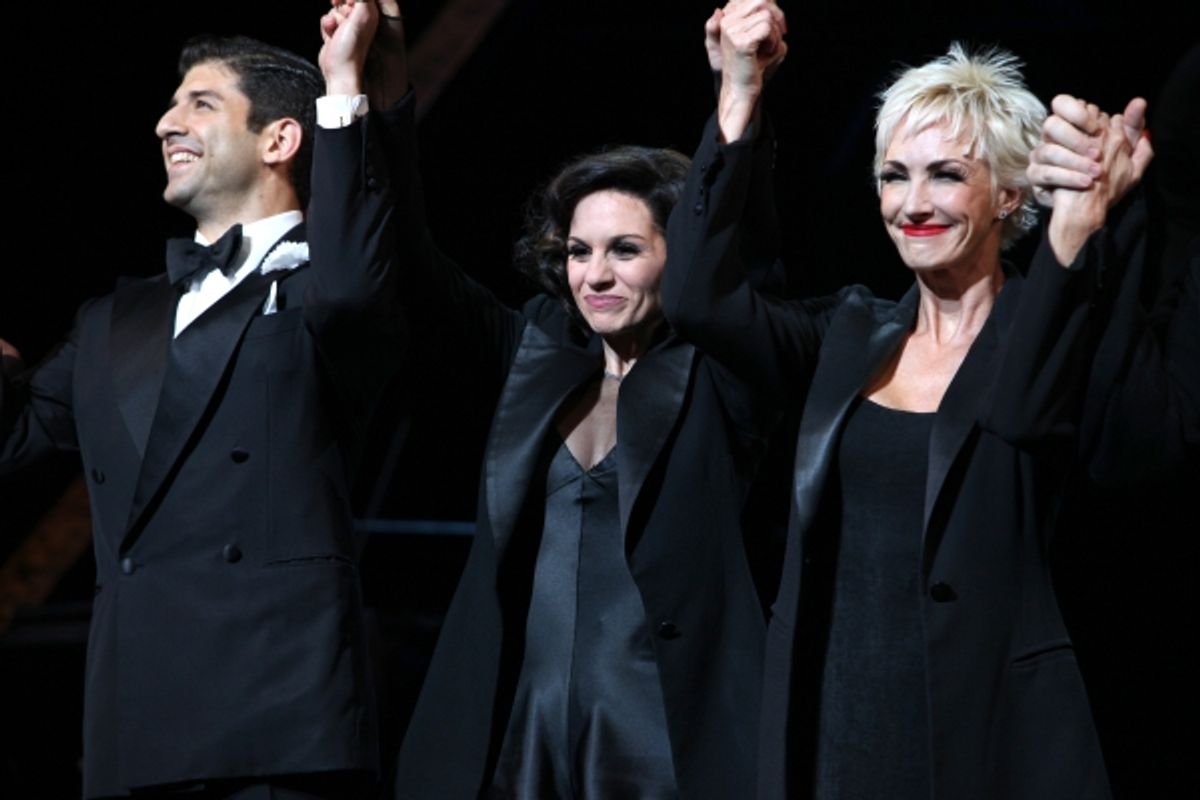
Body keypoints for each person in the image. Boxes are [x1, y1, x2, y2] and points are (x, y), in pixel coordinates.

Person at [662, 2, 1151, 797]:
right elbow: (693, 299)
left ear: (1009, 198)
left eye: (947, 174)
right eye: (895, 175)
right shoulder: (847, 335)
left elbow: (1030, 411)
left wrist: (1082, 228)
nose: (912, 203)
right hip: (829, 730)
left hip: (991, 739)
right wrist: (738, 96)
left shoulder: (1059, 336)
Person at [311, 1, 784, 796]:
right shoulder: (533, 351)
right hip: (522, 735)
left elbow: (741, 256)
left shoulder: (723, 371)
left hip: (663, 742)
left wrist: (738, 89)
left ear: (682, 258)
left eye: (626, 251)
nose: (594, 275)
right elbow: (405, 262)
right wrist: (366, 89)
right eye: (578, 252)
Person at [0, 4, 404, 797]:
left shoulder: (334, 278)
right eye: (171, 103)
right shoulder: (113, 317)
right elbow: (14, 444)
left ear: (279, 140)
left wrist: (348, 82)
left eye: (200, 104)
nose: (164, 123)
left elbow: (360, 274)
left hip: (282, 718)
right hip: (137, 717)